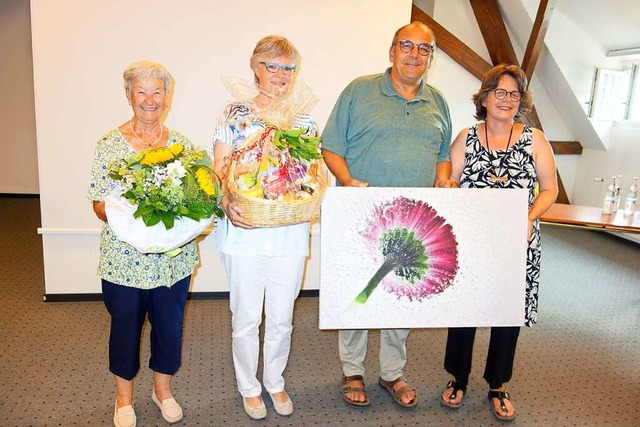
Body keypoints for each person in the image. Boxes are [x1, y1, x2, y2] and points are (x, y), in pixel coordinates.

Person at [321, 21, 455, 409]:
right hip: (362, 214)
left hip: (414, 221)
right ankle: (353, 370)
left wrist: (444, 180)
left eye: (423, 49)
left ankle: (392, 373)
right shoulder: (359, 91)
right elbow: (331, 146)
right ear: (391, 51)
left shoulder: (439, 102)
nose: (414, 55)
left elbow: (443, 155)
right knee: (360, 292)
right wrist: (345, 180)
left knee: (403, 295)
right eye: (406, 46)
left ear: (430, 58)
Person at [439, 64, 558, 421]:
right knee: (466, 309)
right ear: (485, 97)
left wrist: (529, 217)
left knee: (507, 313)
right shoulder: (466, 136)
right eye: (500, 92)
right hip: (472, 241)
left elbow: (549, 189)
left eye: (514, 94)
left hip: (517, 242)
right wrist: (447, 185)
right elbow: (449, 177)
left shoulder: (534, 139)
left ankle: (498, 384)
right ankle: (457, 378)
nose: (506, 100)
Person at [212, 35, 318, 420]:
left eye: (288, 68)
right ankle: (248, 387)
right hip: (245, 231)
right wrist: (226, 201)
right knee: (245, 318)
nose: (280, 75)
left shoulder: (304, 120)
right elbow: (220, 169)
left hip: (289, 232)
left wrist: (313, 199)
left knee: (282, 318)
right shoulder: (235, 113)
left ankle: (274, 381)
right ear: (255, 68)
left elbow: (311, 172)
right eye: (272, 66)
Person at [88, 61, 195, 427]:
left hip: (171, 263)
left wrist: (176, 216)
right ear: (128, 95)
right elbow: (99, 203)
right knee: (125, 329)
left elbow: (195, 197)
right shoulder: (109, 145)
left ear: (167, 95)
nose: (150, 100)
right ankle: (124, 399)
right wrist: (135, 218)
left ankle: (162, 391)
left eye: (157, 91)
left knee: (169, 327)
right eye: (141, 92)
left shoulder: (182, 145)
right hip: (125, 261)